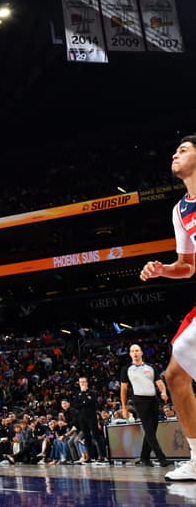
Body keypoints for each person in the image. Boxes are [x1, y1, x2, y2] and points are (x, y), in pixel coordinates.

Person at [140, 133, 196, 480]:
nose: (175, 154)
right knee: (175, 376)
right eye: (175, 150)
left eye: (184, 150)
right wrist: (163, 270)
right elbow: (188, 266)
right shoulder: (180, 210)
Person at [119, 344, 170, 467]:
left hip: (153, 399)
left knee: (152, 429)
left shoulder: (150, 367)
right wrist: (124, 407)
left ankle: (144, 457)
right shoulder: (126, 369)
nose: (135, 353)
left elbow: (159, 382)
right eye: (132, 351)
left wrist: (163, 391)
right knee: (149, 430)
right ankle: (161, 458)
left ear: (141, 352)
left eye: (137, 350)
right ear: (130, 354)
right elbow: (123, 389)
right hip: (139, 400)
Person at [73, 376, 107, 462]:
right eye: (81, 382)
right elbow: (76, 406)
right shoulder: (77, 393)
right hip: (82, 418)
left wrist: (82, 403)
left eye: (84, 381)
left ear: (87, 383)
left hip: (91, 417)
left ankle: (103, 456)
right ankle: (91, 457)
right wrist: (85, 402)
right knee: (87, 438)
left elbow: (93, 402)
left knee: (96, 436)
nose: (82, 383)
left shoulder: (92, 392)